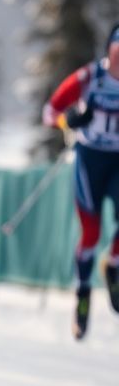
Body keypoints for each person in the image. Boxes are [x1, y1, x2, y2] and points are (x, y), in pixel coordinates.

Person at [41, 22, 119, 339]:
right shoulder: (90, 78)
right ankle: (83, 294)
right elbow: (49, 112)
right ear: (109, 52)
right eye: (117, 53)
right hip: (90, 159)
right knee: (91, 232)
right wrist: (69, 120)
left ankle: (112, 265)